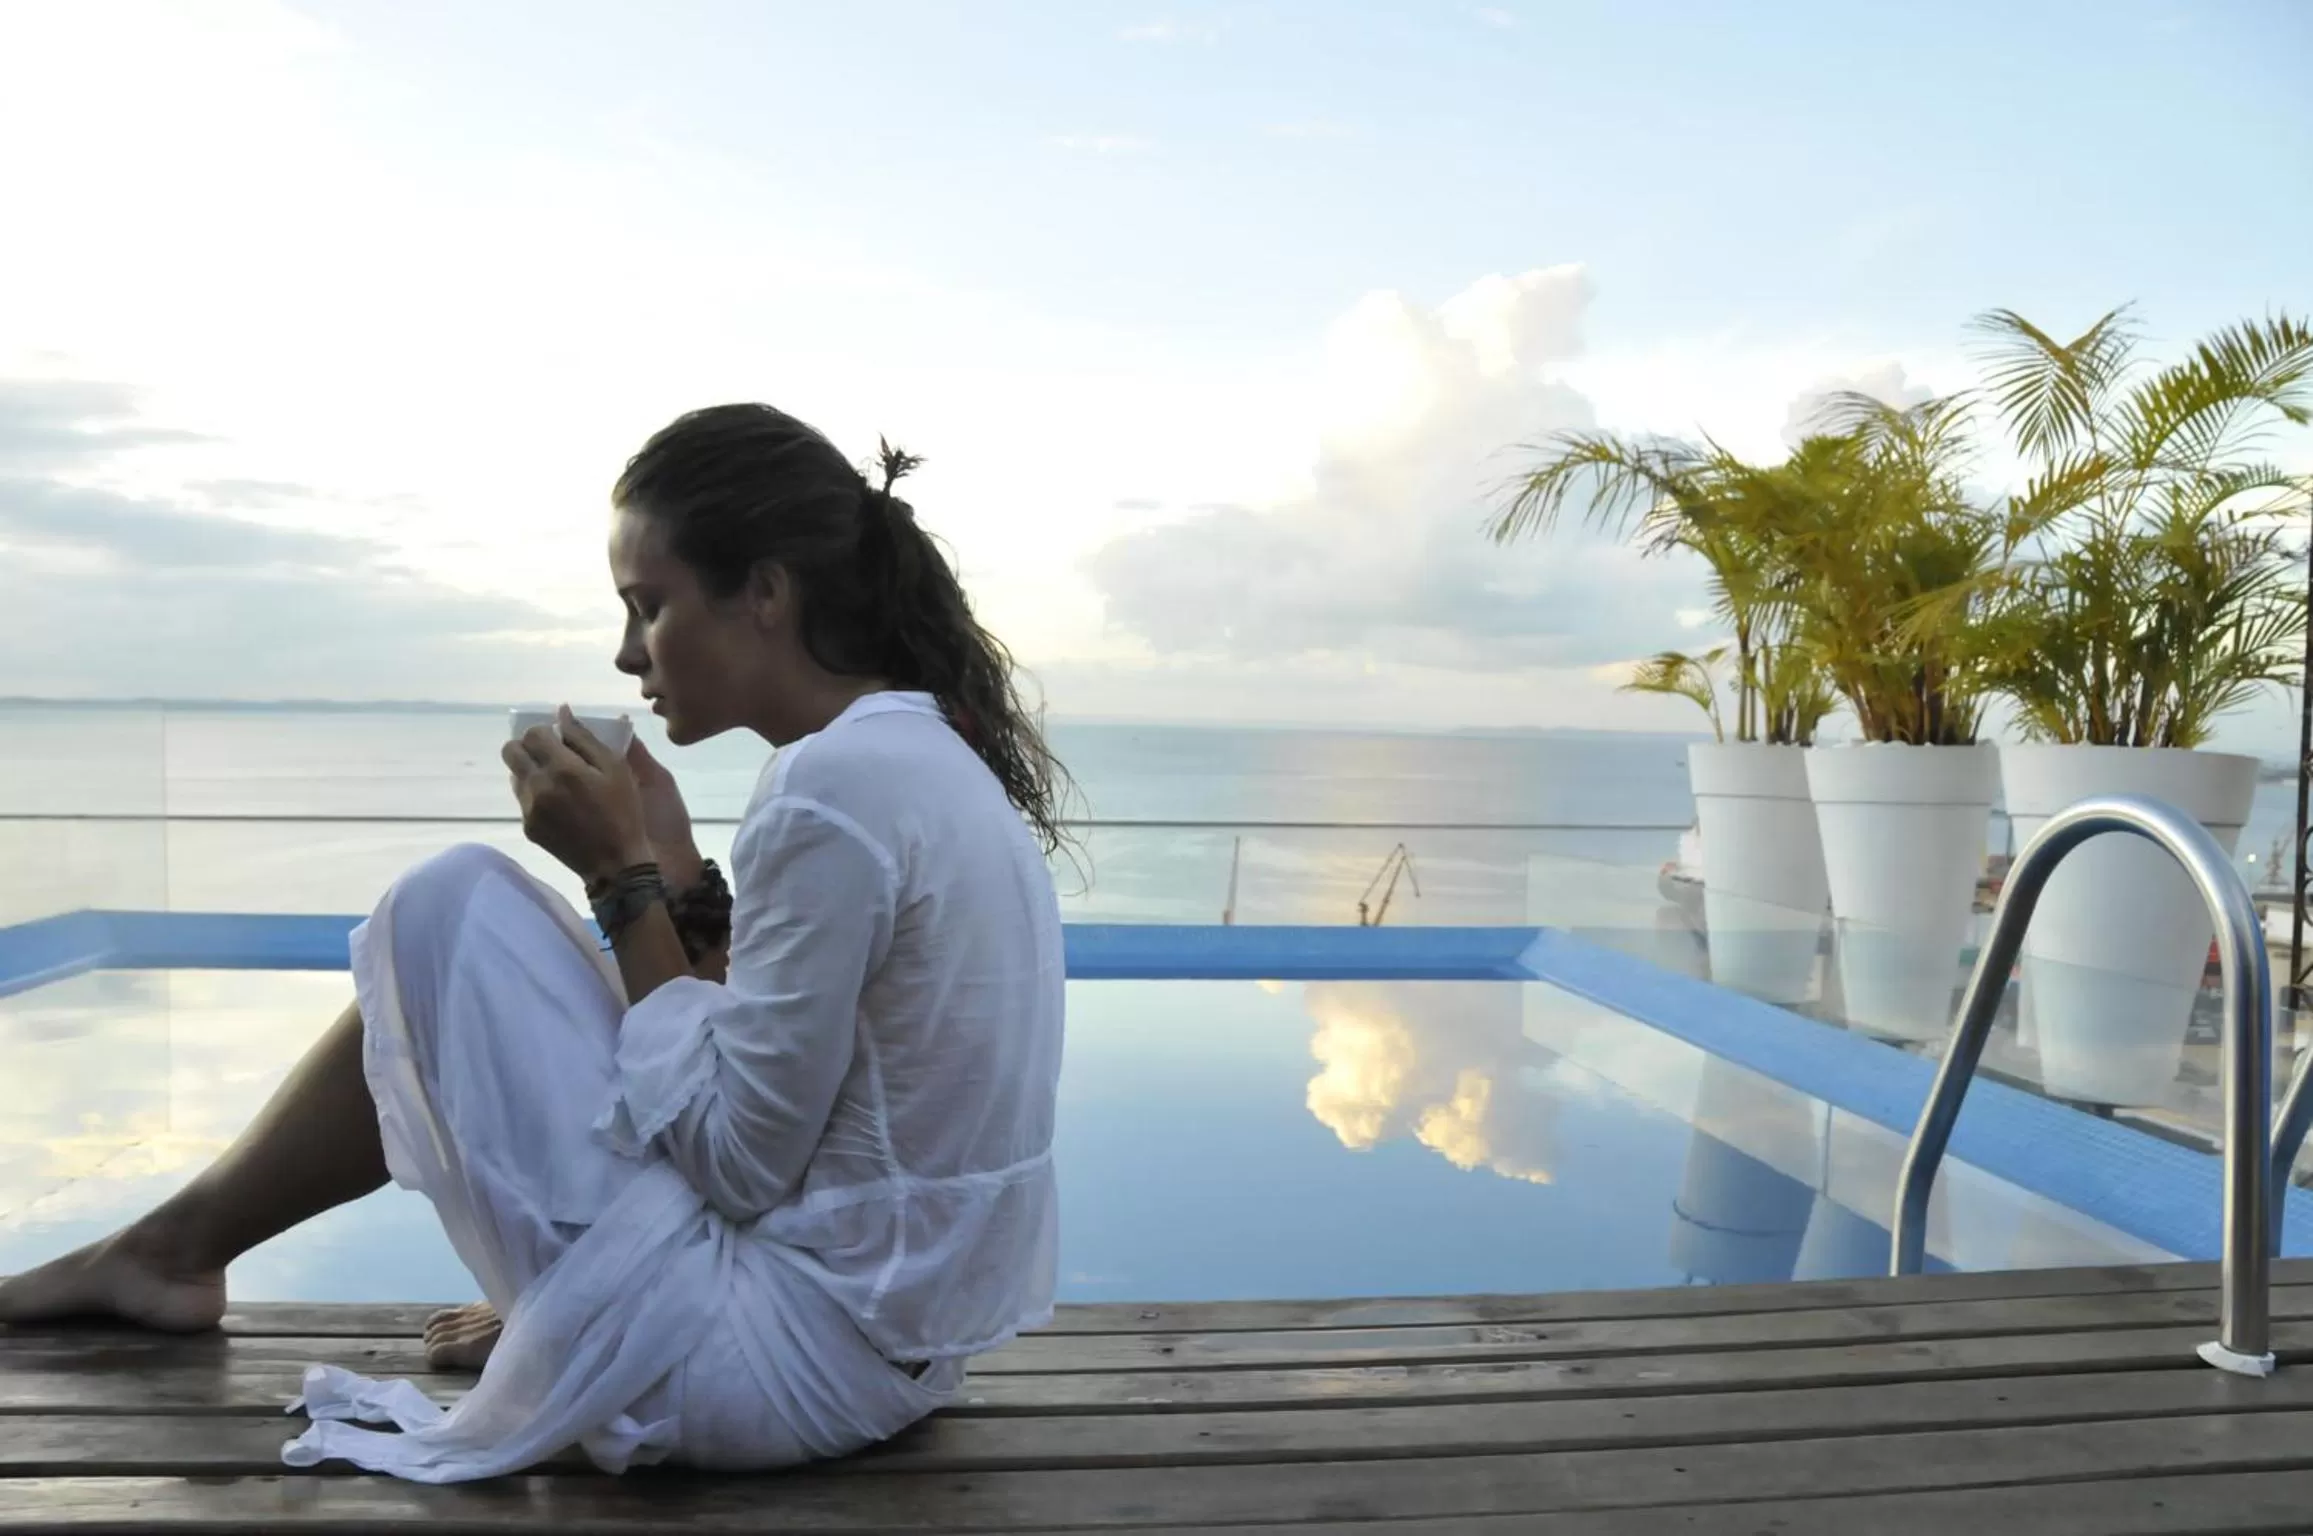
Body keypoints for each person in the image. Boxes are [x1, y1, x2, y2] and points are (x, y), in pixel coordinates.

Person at [0, 404, 1071, 1483]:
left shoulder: (828, 787)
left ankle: (171, 1253)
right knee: (496, 943)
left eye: (649, 608)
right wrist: (680, 870)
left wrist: (620, 877)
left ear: (766, 591)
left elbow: (741, 1164)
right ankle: (175, 1250)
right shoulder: (917, 753)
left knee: (449, 908)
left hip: (774, 1368)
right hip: (899, 1352)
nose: (625, 653)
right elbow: (778, 1071)